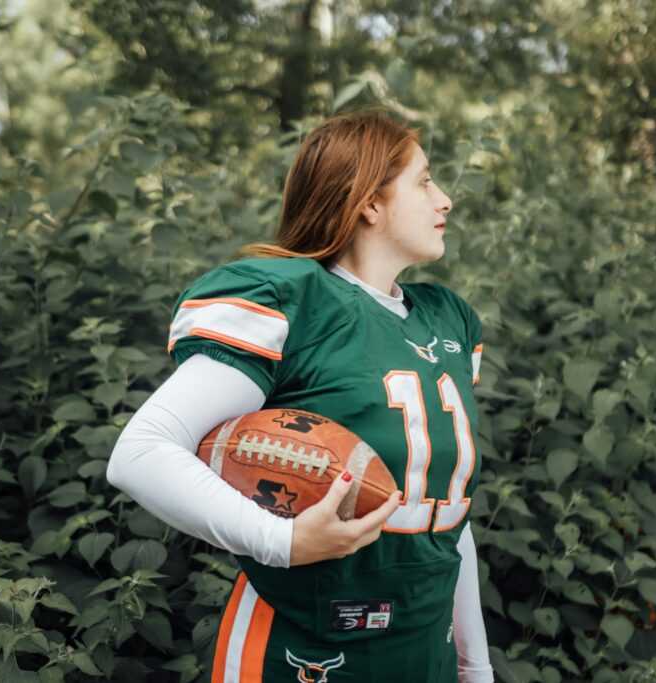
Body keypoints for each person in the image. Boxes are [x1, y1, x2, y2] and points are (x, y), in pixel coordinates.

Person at [106, 109, 494, 682]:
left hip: (423, 652)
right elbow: (141, 452)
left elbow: (447, 520)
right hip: (302, 650)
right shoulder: (294, 299)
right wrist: (281, 540)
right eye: (425, 180)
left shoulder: (447, 320)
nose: (445, 201)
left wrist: (475, 666)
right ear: (370, 202)